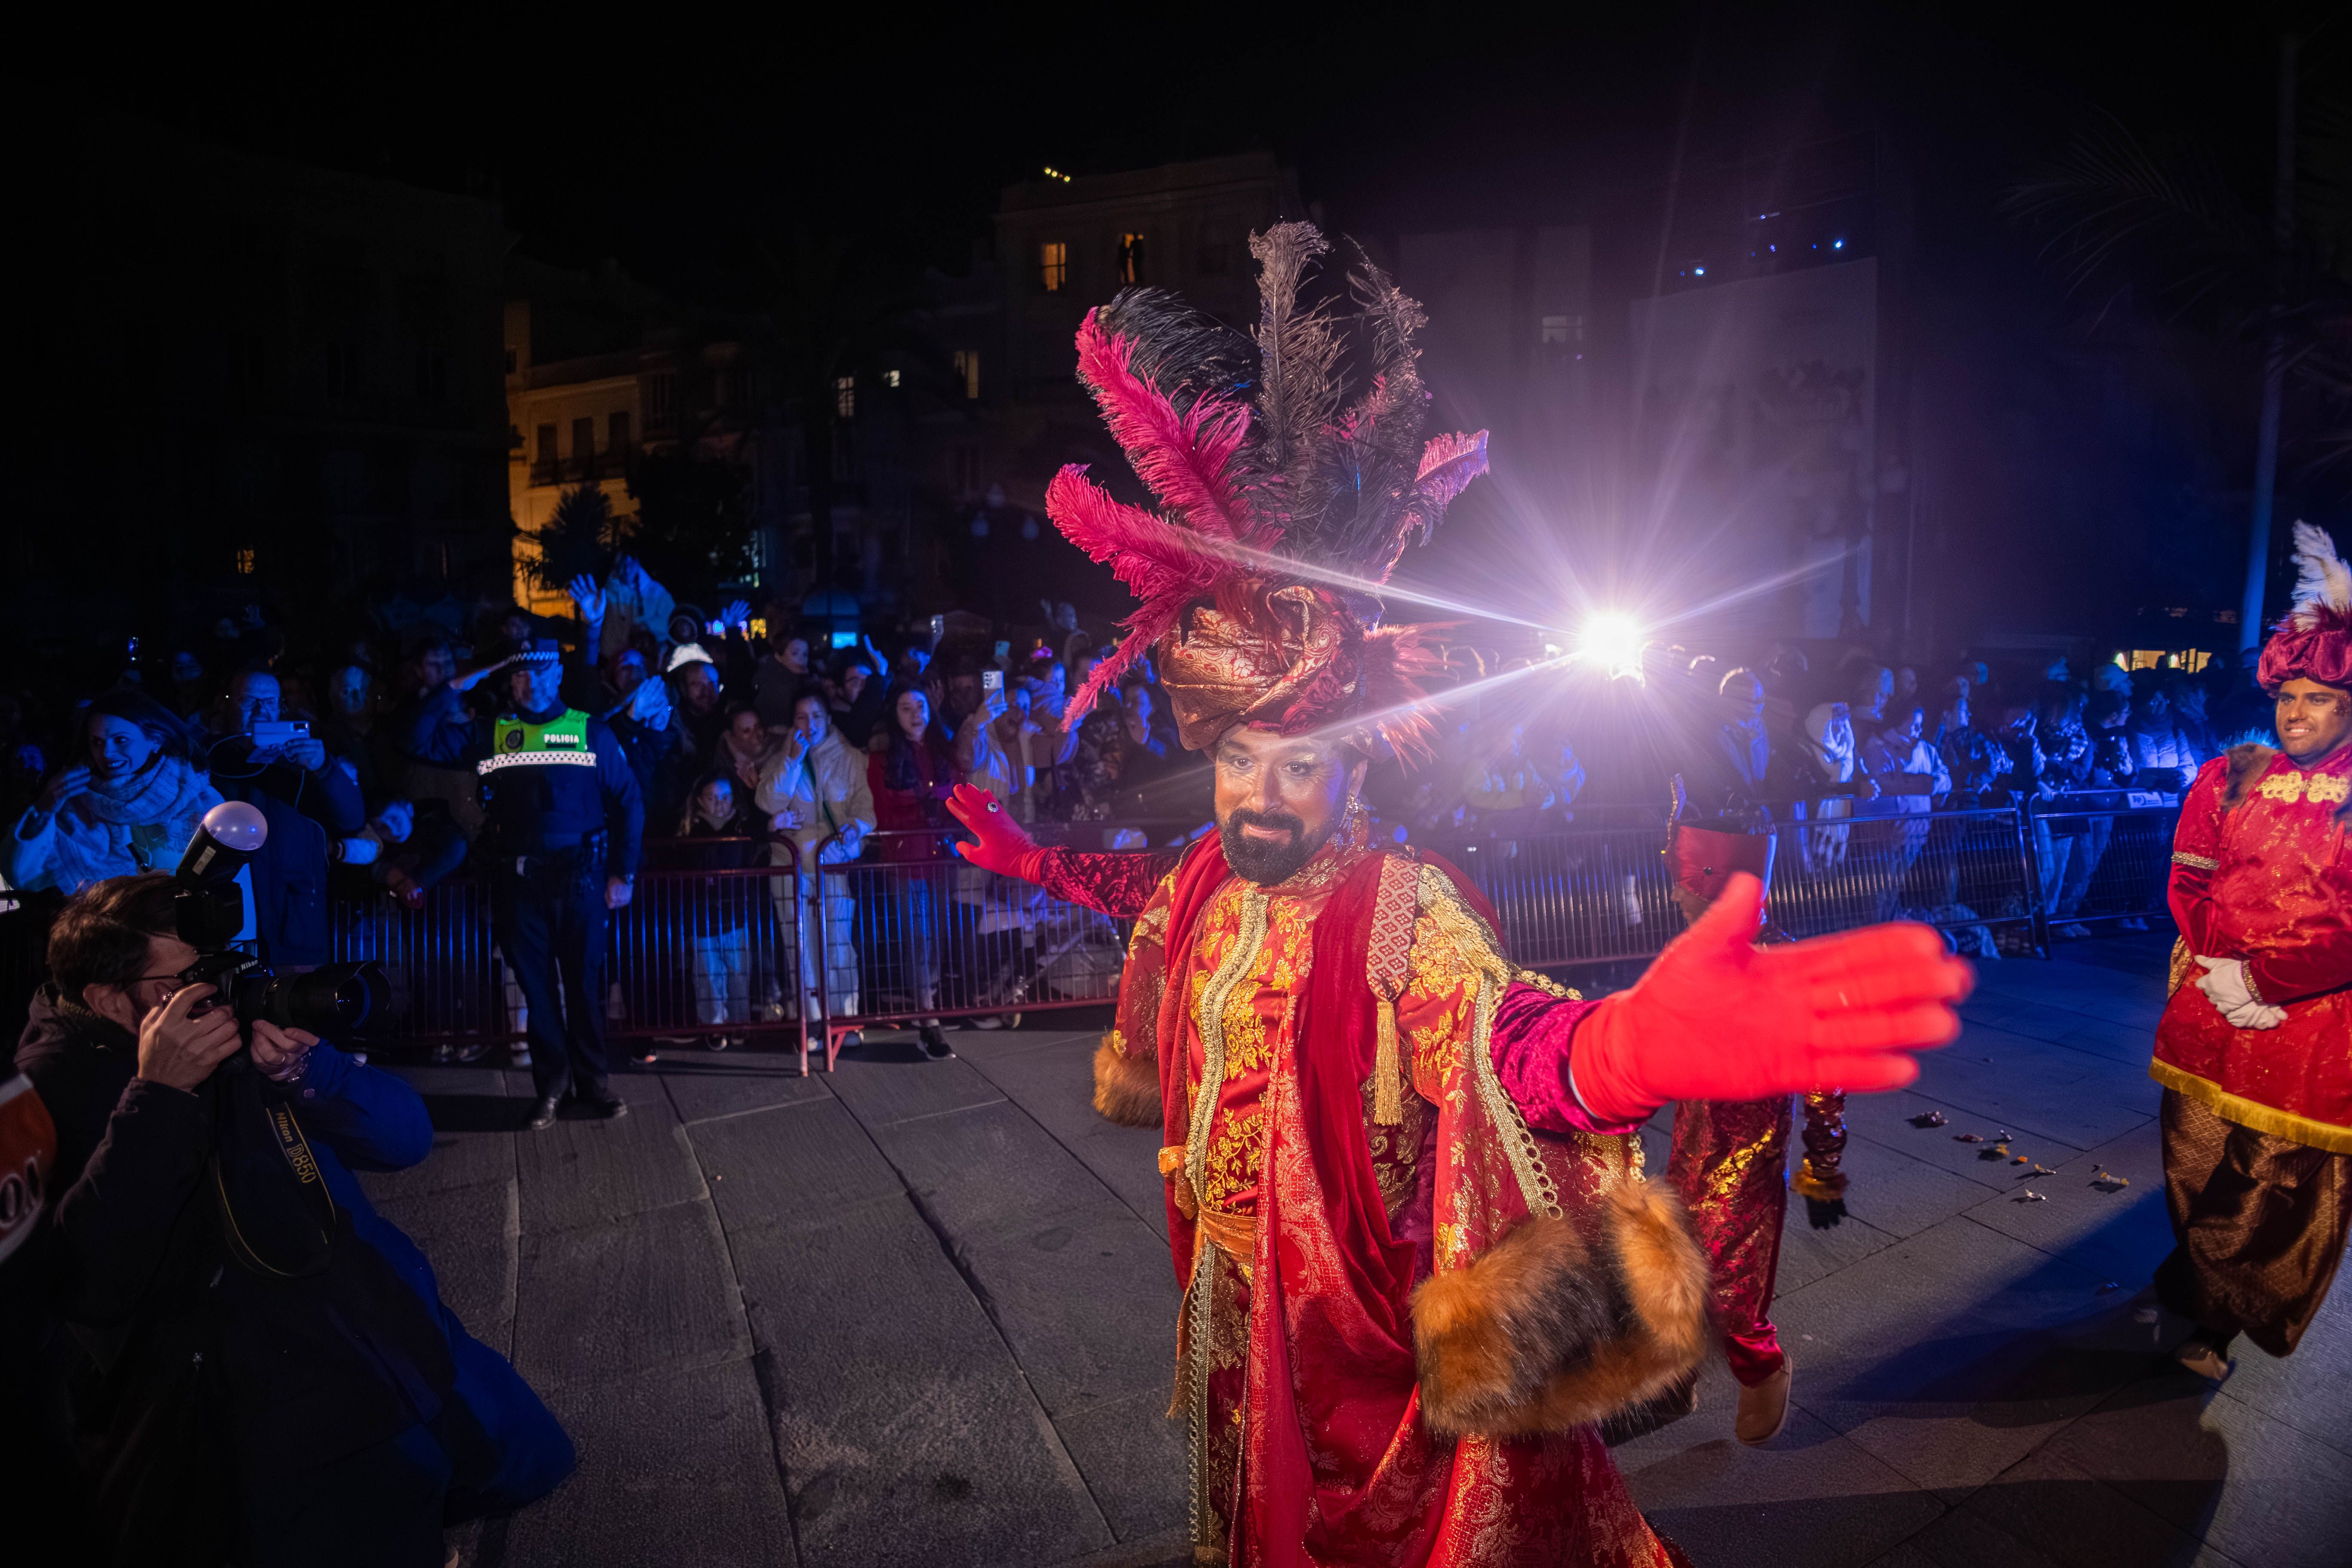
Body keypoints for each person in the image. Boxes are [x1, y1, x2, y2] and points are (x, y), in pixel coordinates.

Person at [944, 231, 1967, 1564]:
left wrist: (1623, 1050)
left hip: (1368, 1340)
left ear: (1354, 762)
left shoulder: (1402, 905)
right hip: (1236, 1299)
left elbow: (1500, 1037)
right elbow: (1146, 889)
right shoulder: (1211, 873)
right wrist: (1029, 861)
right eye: (1239, 759)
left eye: (1298, 762)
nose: (1259, 795)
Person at [15, 872, 572, 1562]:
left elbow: (407, 1142)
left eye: (221, 969)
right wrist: (158, 1096)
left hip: (381, 1322)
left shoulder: (236, 1035)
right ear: (107, 999)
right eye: (185, 982)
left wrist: (316, 1077)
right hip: (256, 1397)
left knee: (504, 1467)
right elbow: (89, 1284)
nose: (216, 995)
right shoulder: (46, 1090)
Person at [2154, 523, 2352, 1384]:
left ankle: (2217, 1318)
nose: (2294, 712)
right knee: (2193, 1164)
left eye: (2318, 698)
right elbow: (2188, 875)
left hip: (2312, 1025)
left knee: (2269, 1184)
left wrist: (2267, 979)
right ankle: (2197, 1285)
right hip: (2210, 1003)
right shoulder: (2230, 774)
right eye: (2287, 696)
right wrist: (2218, 966)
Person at [406, 638, 644, 1129]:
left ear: (558, 677)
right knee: (538, 994)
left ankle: (593, 1085)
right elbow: (416, 739)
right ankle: (552, 1089)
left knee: (584, 989)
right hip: (520, 886)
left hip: (582, 883)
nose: (531, 683)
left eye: (540, 673)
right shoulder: (493, 732)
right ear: (510, 682)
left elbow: (629, 802)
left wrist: (623, 873)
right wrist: (457, 684)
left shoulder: (590, 732)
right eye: (520, 675)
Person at [202, 669, 369, 968]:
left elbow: (352, 820)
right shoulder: (207, 759)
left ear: (281, 707)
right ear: (228, 704)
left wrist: (324, 769)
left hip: (294, 925)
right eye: (248, 701)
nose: (260, 711)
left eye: (269, 702)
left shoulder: (303, 761)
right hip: (227, 923)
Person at [6, 687, 220, 896]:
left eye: (121, 740)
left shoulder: (199, 799)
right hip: (102, 920)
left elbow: (222, 879)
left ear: (155, 740)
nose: (107, 753)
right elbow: (19, 876)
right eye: (97, 742)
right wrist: (44, 808)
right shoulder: (73, 802)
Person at [755, 692, 873, 1038]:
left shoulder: (850, 758)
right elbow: (768, 802)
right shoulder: (782, 758)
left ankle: (844, 1021)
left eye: (817, 716)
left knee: (838, 944)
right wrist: (793, 761)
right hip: (791, 865)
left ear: (829, 720)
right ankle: (812, 1022)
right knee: (800, 946)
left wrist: (855, 830)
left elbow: (865, 806)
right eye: (802, 717)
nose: (810, 725)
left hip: (832, 863)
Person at [869, 687, 958, 1054]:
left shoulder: (943, 750)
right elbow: (882, 813)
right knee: (917, 936)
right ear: (895, 714)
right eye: (906, 708)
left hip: (940, 856)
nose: (915, 713)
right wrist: (923, 803)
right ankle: (927, 1014)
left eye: (920, 706)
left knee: (937, 933)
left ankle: (929, 1002)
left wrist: (944, 802)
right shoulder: (883, 759)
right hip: (907, 858)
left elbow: (962, 792)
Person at [673, 773, 764, 1051]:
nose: (719, 803)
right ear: (701, 801)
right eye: (712, 798)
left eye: (725, 797)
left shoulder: (743, 826)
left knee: (739, 972)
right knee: (708, 974)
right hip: (703, 916)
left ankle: (739, 1022)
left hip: (736, 914)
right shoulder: (690, 831)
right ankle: (713, 1025)